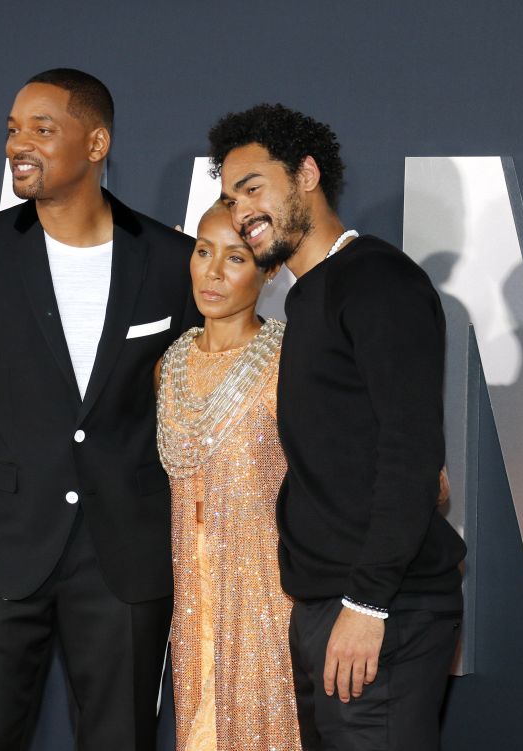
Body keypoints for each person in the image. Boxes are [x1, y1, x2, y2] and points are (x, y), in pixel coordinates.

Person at [0, 68, 199, 750]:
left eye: (43, 129)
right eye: (14, 129)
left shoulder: (172, 261)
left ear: (96, 142)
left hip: (125, 560)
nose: (21, 144)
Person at [210, 103, 467, 750]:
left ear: (307, 174)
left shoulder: (377, 281)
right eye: (230, 198)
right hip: (330, 604)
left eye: (252, 188)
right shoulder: (310, 295)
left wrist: (369, 603)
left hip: (382, 608)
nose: (242, 212)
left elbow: (411, 454)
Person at [157, 203, 302, 751]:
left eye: (235, 257)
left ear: (268, 270)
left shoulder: (290, 359)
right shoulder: (168, 364)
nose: (212, 272)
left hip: (268, 600)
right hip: (193, 602)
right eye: (202, 251)